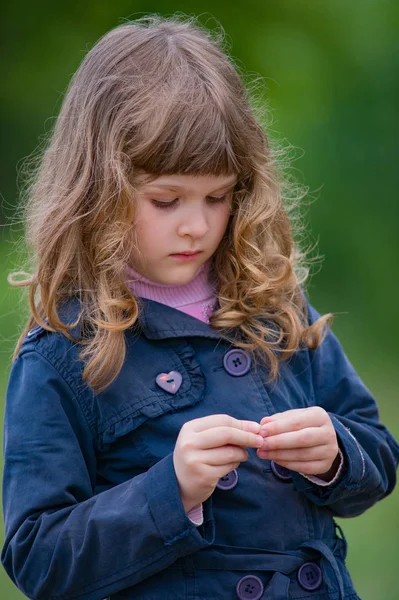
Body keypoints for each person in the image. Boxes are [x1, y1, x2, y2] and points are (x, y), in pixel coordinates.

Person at [1, 15, 398, 600]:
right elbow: (38, 558)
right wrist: (172, 491)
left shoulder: (276, 308)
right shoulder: (65, 350)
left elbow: (378, 456)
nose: (197, 225)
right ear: (97, 191)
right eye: (166, 200)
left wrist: (337, 453)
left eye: (218, 196)